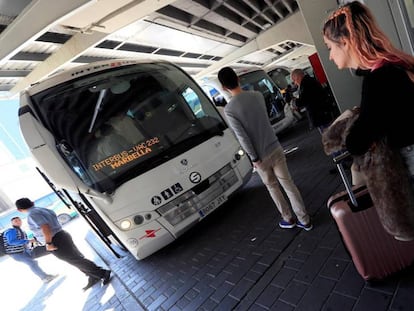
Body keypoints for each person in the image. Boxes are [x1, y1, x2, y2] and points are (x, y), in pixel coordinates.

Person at [322, 1, 414, 240]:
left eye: (330, 47)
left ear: (346, 42)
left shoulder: (378, 80)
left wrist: (351, 120)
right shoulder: (395, 65)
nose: (330, 57)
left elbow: (356, 142)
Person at [217, 66, 312, 230]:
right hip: (275, 146)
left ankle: (288, 219)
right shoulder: (257, 95)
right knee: (288, 184)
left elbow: (242, 137)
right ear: (238, 79)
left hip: (260, 157)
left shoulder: (229, 110)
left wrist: (254, 159)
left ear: (223, 87)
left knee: (273, 187)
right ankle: (304, 219)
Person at [15, 198, 112, 291]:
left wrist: (48, 243)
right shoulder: (43, 209)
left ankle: (102, 273)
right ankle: (93, 276)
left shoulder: (32, 214)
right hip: (62, 235)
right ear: (32, 202)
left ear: (19, 210)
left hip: (55, 240)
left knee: (75, 260)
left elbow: (45, 228)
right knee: (75, 258)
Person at [3, 216, 57, 283]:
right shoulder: (11, 230)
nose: (18, 222)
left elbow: (24, 242)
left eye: (19, 220)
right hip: (16, 254)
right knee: (32, 263)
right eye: (16, 221)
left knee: (38, 257)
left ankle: (45, 276)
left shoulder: (21, 231)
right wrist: (28, 241)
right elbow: (12, 242)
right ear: (12, 223)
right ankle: (45, 278)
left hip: (23, 251)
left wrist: (30, 244)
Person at [290, 68, 336, 133]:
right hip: (322, 114)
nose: (295, 83)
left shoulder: (306, 84)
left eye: (294, 80)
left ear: (298, 77)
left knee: (329, 137)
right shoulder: (309, 81)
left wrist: (294, 103)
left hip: (320, 116)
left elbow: (303, 100)